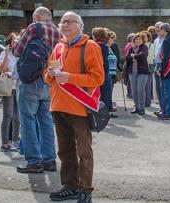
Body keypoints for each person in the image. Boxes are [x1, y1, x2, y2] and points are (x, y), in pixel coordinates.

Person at [45, 11, 104, 203]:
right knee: (65, 151)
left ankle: (85, 190)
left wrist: (69, 78)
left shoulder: (90, 46)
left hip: (79, 107)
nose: (66, 25)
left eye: (71, 21)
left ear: (80, 25)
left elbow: (98, 78)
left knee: (84, 152)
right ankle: (69, 186)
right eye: (63, 21)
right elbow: (47, 74)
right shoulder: (58, 47)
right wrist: (51, 76)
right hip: (58, 105)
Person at [13, 6, 61, 173]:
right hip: (49, 80)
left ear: (39, 17)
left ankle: (34, 161)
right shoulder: (58, 33)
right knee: (46, 121)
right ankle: (49, 160)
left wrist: (15, 44)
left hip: (31, 80)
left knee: (27, 121)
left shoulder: (34, 28)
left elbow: (18, 51)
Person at [0, 32, 20, 151]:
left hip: (19, 87)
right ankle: (5, 142)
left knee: (18, 117)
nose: (17, 43)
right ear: (10, 43)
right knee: (8, 115)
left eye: (19, 41)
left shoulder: (21, 54)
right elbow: (2, 69)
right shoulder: (4, 53)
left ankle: (16, 140)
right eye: (15, 41)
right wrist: (6, 55)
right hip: (8, 88)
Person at [92, 27, 116, 117]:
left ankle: (97, 111)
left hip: (94, 72)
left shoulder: (92, 45)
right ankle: (106, 112)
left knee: (98, 93)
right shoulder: (104, 47)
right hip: (104, 72)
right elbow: (105, 62)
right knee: (106, 92)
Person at [126, 33, 149, 115]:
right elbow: (127, 58)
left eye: (139, 39)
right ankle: (137, 107)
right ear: (134, 40)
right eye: (136, 39)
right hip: (132, 72)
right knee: (134, 91)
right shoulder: (131, 48)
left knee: (140, 89)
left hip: (142, 72)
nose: (138, 41)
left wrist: (133, 56)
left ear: (143, 40)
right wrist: (133, 57)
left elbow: (142, 56)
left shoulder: (144, 47)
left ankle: (142, 108)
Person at [153, 21, 165, 115]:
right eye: (156, 27)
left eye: (159, 27)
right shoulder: (156, 40)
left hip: (162, 64)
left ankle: (164, 108)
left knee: (162, 87)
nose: (157, 29)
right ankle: (161, 107)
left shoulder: (165, 39)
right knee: (157, 88)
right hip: (156, 64)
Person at [106, 30, 119, 117]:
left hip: (112, 72)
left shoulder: (110, 47)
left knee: (109, 91)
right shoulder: (106, 48)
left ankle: (109, 108)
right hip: (108, 73)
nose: (113, 40)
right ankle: (107, 110)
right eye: (111, 39)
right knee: (107, 92)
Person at [141, 30, 154, 107]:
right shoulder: (141, 45)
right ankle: (144, 101)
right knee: (143, 85)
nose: (142, 38)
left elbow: (150, 58)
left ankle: (147, 102)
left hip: (148, 66)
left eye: (144, 36)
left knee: (147, 85)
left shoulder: (151, 45)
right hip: (142, 66)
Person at [123, 33, 135, 98]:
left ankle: (129, 93)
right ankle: (130, 93)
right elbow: (128, 55)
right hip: (129, 62)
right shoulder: (130, 45)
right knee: (130, 79)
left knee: (128, 79)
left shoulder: (127, 45)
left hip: (126, 62)